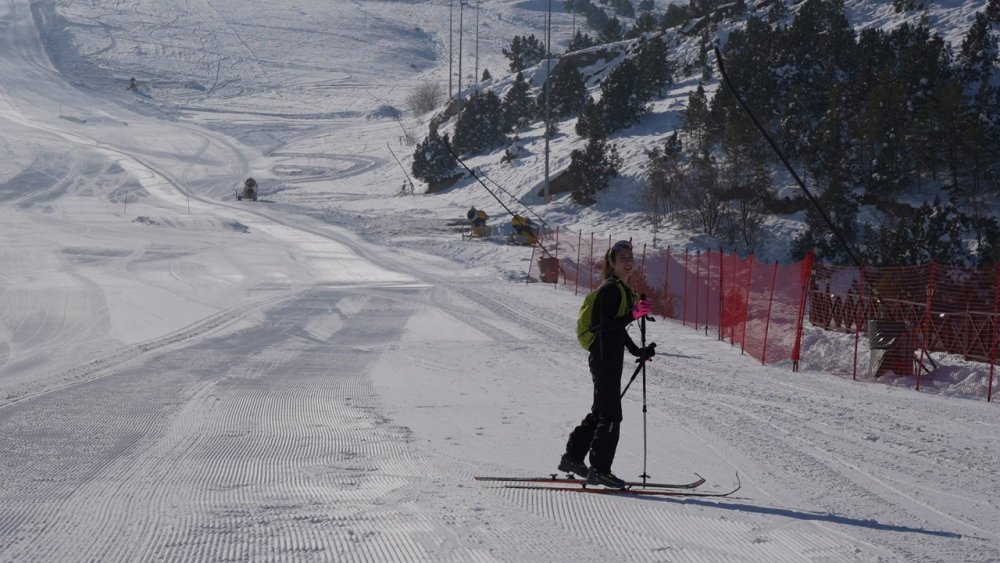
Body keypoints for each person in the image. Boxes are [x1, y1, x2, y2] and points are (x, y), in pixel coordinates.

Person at [559, 240, 656, 488]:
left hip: (608, 357)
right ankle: (599, 469)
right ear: (611, 263)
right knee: (611, 415)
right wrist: (634, 315)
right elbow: (608, 324)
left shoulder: (622, 290)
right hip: (603, 358)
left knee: (601, 412)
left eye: (630, 256)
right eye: (622, 257)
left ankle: (572, 458)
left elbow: (618, 330)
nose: (628, 260)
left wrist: (639, 351)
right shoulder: (610, 289)